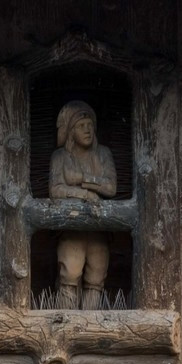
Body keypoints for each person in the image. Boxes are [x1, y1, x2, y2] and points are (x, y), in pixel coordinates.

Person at [48, 100, 118, 309]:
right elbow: (55, 190)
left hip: (99, 228)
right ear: (71, 132)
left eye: (90, 125)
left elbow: (111, 188)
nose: (87, 130)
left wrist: (81, 178)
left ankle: (91, 321)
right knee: (70, 271)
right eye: (81, 126)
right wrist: (84, 194)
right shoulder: (60, 156)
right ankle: (66, 320)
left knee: (97, 275)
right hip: (71, 229)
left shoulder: (103, 154)